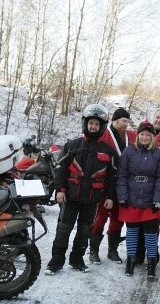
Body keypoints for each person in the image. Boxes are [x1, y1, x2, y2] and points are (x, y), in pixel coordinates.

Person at [45, 104, 117, 274]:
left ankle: (77, 260)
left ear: (102, 127)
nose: (93, 127)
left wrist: (110, 197)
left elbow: (112, 177)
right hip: (70, 196)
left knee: (85, 230)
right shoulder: (72, 145)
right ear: (85, 123)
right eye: (91, 123)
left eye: (97, 124)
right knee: (63, 229)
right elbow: (60, 170)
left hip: (92, 199)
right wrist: (60, 190)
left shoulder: (108, 151)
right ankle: (56, 261)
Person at [117, 122, 160, 278]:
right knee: (132, 232)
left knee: (150, 234)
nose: (145, 137)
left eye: (148, 135)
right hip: (131, 198)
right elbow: (121, 175)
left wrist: (158, 200)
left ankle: (152, 263)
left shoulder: (158, 154)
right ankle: (131, 261)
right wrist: (122, 196)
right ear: (138, 135)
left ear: (153, 137)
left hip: (150, 200)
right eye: (142, 134)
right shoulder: (129, 151)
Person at [88, 107, 136, 264]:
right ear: (115, 121)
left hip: (123, 185)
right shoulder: (104, 134)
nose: (126, 125)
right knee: (101, 216)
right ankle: (93, 250)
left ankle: (112, 250)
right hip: (105, 183)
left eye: (128, 122)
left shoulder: (131, 136)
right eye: (123, 121)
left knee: (118, 218)